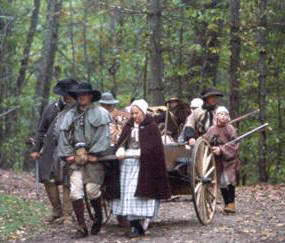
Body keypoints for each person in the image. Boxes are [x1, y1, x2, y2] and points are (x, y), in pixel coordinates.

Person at [57, 82, 111, 238]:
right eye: (79, 95)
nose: (82, 97)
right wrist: (68, 155)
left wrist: (95, 154)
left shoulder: (100, 113)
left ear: (91, 96)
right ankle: (81, 227)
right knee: (75, 193)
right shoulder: (69, 115)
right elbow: (63, 138)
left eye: (85, 94)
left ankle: (98, 217)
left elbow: (104, 138)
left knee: (92, 191)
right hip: (75, 160)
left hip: (94, 159)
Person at [111, 99, 171, 238]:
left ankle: (142, 223)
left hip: (146, 167)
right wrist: (120, 149)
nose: (134, 116)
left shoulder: (152, 127)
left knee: (142, 194)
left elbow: (155, 149)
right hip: (128, 164)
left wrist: (143, 152)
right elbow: (122, 142)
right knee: (129, 192)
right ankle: (133, 224)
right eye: (132, 113)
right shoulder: (128, 126)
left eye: (136, 113)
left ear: (143, 112)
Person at [30, 79, 78, 225]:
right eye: (66, 95)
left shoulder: (79, 110)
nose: (68, 97)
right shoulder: (51, 108)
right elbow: (41, 130)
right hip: (51, 149)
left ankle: (67, 214)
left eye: (70, 95)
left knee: (67, 181)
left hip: (70, 149)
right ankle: (56, 211)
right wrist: (36, 148)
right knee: (48, 179)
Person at [203, 106, 239, 213]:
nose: (223, 116)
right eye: (220, 114)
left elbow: (234, 144)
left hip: (228, 160)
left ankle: (231, 203)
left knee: (229, 180)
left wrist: (221, 149)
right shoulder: (211, 130)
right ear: (216, 116)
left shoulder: (230, 129)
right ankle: (227, 203)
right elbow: (205, 140)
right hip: (217, 161)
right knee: (222, 182)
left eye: (225, 114)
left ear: (227, 117)